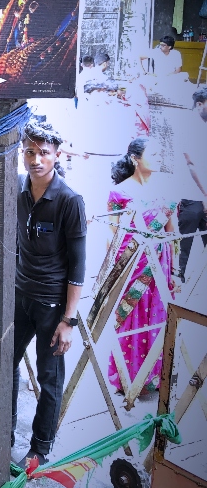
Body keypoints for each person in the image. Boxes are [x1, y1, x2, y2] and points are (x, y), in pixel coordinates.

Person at [13, 120, 87, 467]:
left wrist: (68, 321)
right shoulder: (17, 188)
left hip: (52, 303)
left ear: (57, 155)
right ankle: (2, 432)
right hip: (19, 294)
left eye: (44, 152)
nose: (36, 159)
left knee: (49, 376)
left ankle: (40, 448)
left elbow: (78, 266)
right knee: (4, 364)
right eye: (30, 151)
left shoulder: (69, 201)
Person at [106, 139, 178, 400]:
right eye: (154, 154)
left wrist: (175, 274)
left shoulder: (166, 193)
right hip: (133, 268)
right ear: (136, 159)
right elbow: (113, 236)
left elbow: (173, 233)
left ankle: (157, 375)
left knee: (159, 318)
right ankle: (129, 376)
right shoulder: (119, 195)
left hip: (161, 266)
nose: (159, 158)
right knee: (131, 320)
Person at [173, 86, 207, 281]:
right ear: (200, 104)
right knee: (184, 245)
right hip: (192, 199)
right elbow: (192, 164)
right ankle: (178, 284)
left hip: (202, 198)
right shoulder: (188, 127)